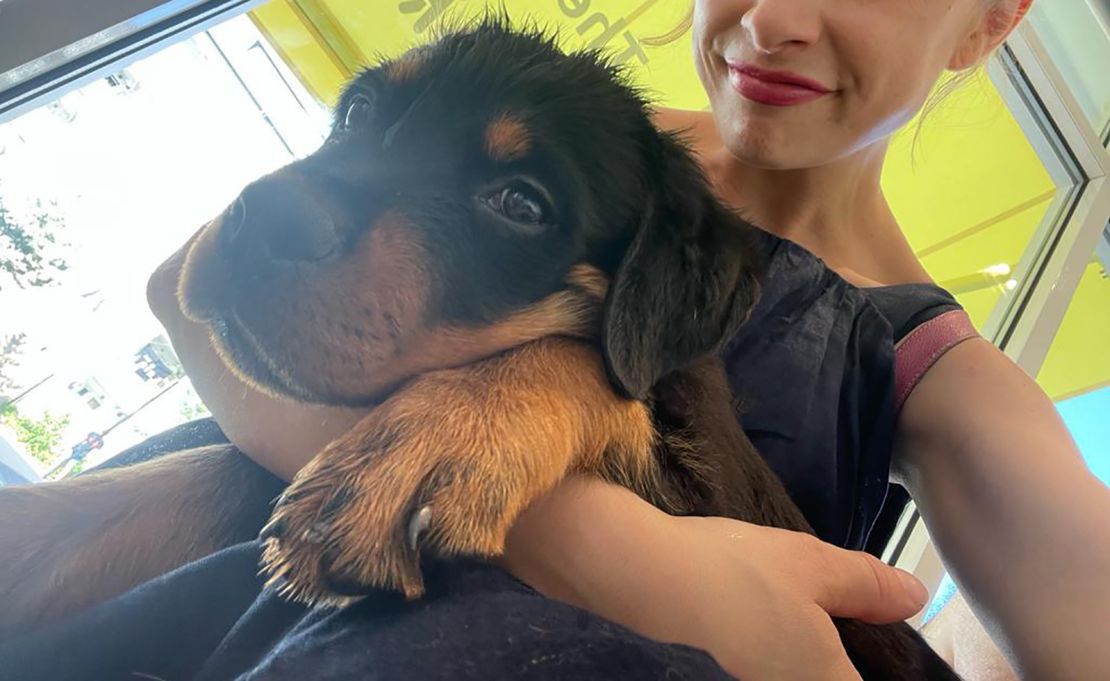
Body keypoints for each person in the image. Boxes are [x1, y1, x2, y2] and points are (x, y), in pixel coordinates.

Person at [10, 0, 1106, 679]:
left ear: (993, 16)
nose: (773, 16)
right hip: (257, 546)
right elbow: (188, 292)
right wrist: (590, 537)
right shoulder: (571, 120)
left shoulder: (934, 364)